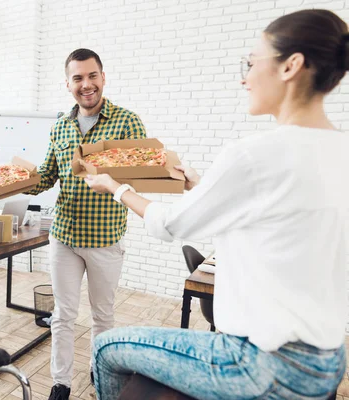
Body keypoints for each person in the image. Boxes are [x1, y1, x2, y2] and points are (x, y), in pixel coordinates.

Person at [85, 9, 348, 400]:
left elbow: (169, 225)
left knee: (105, 347)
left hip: (260, 365)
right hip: (329, 361)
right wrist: (202, 185)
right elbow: (277, 214)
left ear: (291, 66)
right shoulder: (340, 151)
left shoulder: (253, 154)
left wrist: (116, 187)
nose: (245, 77)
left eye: (251, 62)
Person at [25, 48, 147, 399]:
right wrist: (11, 183)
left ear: (103, 77)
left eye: (92, 76)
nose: (86, 84)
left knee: (102, 316)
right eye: (78, 78)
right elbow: (47, 175)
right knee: (63, 315)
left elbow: (139, 173)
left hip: (105, 237)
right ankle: (60, 383)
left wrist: (109, 173)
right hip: (64, 234)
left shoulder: (127, 122)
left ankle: (99, 369)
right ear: (68, 84)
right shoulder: (61, 126)